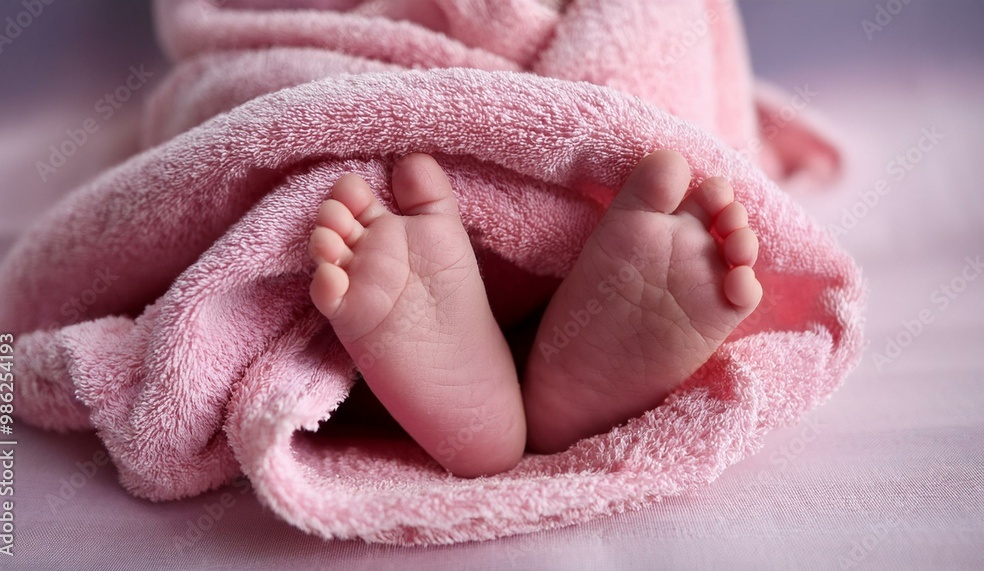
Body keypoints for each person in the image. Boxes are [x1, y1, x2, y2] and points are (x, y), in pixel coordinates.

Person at [307, 149, 762, 477]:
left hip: (457, 255)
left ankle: (480, 402)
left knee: (333, 364)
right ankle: (544, 386)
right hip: (552, 270)